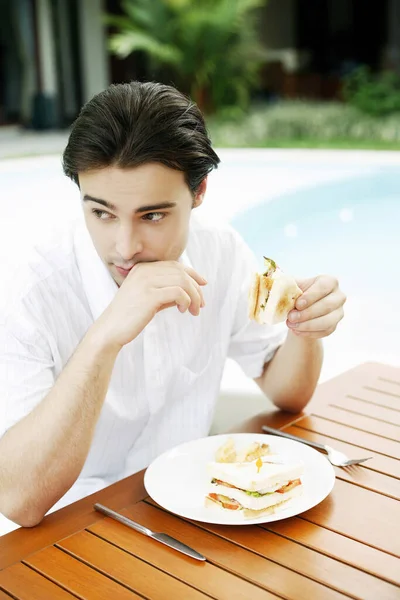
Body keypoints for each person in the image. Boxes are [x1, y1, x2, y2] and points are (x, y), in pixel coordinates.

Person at [0, 81, 346, 532]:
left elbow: (288, 393)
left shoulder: (219, 251)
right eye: (101, 213)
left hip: (193, 513)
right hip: (66, 532)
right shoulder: (31, 292)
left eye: (153, 215)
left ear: (199, 191)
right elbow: (18, 502)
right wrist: (106, 336)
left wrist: (305, 327)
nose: (124, 247)